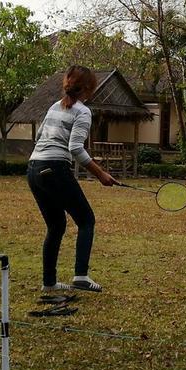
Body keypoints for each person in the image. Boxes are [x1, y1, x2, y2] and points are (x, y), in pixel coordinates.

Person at [26, 65, 117, 292]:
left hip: (34, 169)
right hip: (54, 168)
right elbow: (75, 147)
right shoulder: (82, 111)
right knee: (86, 220)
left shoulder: (53, 107)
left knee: (56, 227)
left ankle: (49, 283)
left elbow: (39, 137)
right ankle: (81, 276)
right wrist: (101, 174)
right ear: (88, 88)